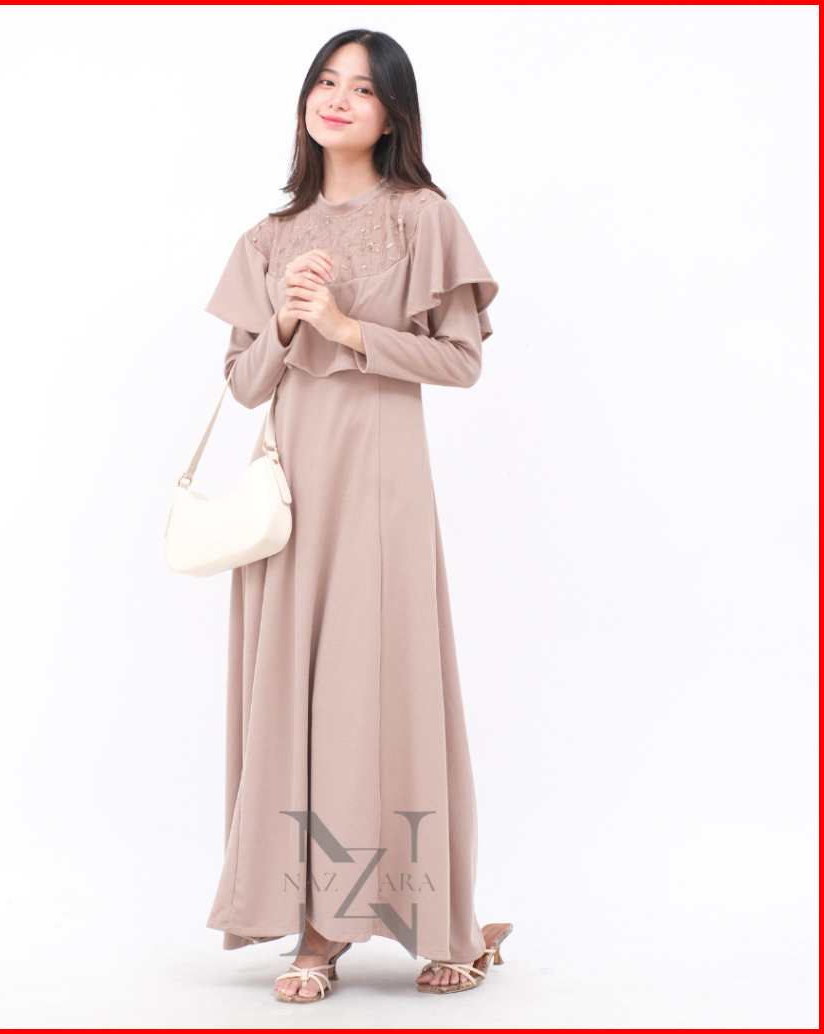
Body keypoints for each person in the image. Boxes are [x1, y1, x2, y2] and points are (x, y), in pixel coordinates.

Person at [203, 28, 512, 1002]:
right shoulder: (267, 237)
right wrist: (287, 320)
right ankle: (318, 924)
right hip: (294, 498)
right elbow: (244, 383)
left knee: (387, 688)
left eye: (364, 89)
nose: (338, 99)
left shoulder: (425, 217)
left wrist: (347, 327)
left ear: (392, 114)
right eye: (326, 81)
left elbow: (460, 361)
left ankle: (438, 919)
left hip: (381, 488)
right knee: (301, 699)